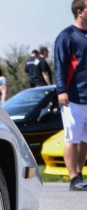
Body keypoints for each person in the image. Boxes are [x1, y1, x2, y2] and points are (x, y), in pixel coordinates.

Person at [54, 0, 87, 191]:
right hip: (72, 98)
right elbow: (60, 65)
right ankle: (73, 178)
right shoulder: (66, 36)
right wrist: (61, 91)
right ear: (80, 12)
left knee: (84, 141)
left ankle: (80, 174)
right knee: (72, 138)